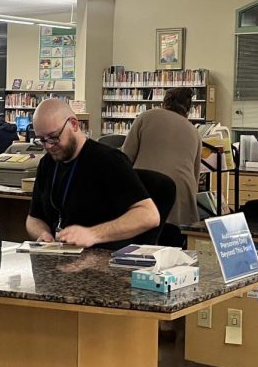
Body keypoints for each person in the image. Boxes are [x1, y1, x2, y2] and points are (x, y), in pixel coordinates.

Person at [25, 99, 160, 249]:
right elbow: (33, 218)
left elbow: (149, 215)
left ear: (74, 124)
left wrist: (93, 234)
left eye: (54, 137)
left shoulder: (108, 160)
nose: (49, 146)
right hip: (61, 254)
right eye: (42, 140)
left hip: (103, 258)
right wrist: (42, 233)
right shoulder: (47, 163)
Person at [120, 87, 202, 225]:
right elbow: (195, 175)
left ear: (164, 103)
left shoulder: (146, 117)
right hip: (181, 197)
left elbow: (126, 156)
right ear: (188, 110)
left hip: (148, 188)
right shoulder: (194, 132)